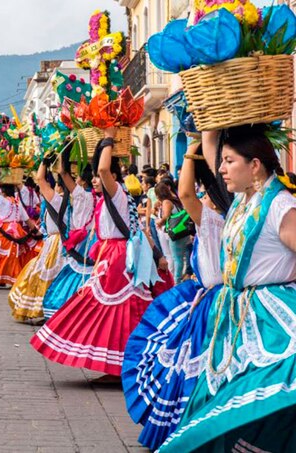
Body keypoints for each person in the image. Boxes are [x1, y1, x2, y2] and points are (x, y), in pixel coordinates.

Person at [160, 126, 296, 452]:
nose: (220, 169)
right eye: (221, 161)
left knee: (258, 400)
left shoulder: (279, 205)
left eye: (229, 161)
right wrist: (206, 122)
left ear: (255, 165)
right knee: (225, 402)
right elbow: (211, 145)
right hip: (235, 318)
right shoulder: (242, 199)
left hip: (273, 320)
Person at [30, 130, 173, 380]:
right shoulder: (106, 200)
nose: (95, 179)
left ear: (113, 178)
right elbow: (139, 230)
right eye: (94, 176)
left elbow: (106, 171)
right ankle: (116, 365)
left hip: (117, 258)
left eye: (99, 176)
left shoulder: (116, 192)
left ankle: (122, 365)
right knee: (109, 311)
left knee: (116, 312)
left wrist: (107, 138)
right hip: (109, 255)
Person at [122, 139, 227, 451]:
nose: (202, 199)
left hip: (215, 301)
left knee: (197, 373)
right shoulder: (231, 215)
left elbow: (184, 194)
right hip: (213, 297)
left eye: (207, 194)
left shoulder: (214, 219)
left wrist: (192, 152)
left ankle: (196, 429)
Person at [41, 160, 98, 320]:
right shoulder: (100, 196)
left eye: (78, 178)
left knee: (74, 275)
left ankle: (71, 310)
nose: (76, 181)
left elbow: (63, 172)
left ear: (83, 181)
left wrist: (64, 153)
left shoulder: (80, 195)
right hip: (94, 241)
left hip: (80, 241)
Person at [9, 161, 64, 323]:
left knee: (45, 276)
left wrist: (44, 161)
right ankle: (49, 311)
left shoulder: (57, 200)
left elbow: (40, 179)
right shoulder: (72, 200)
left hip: (57, 243)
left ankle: (48, 311)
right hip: (58, 242)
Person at [155, 178, 191, 282]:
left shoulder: (166, 202)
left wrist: (160, 222)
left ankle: (176, 281)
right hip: (182, 231)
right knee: (182, 257)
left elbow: (166, 216)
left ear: (158, 194)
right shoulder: (174, 199)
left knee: (176, 258)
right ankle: (181, 277)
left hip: (175, 233)